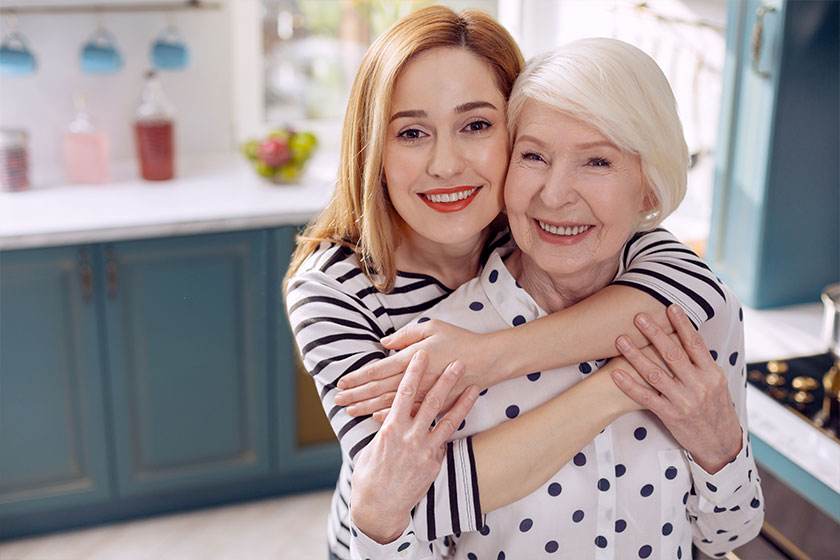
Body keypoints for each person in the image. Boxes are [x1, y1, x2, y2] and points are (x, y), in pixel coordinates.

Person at [283, 7, 731, 560]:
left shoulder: (538, 224)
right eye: (412, 132)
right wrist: (618, 385)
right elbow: (410, 501)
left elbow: (694, 289)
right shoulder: (335, 291)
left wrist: (489, 356)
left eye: (476, 125)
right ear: (373, 150)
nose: (446, 164)